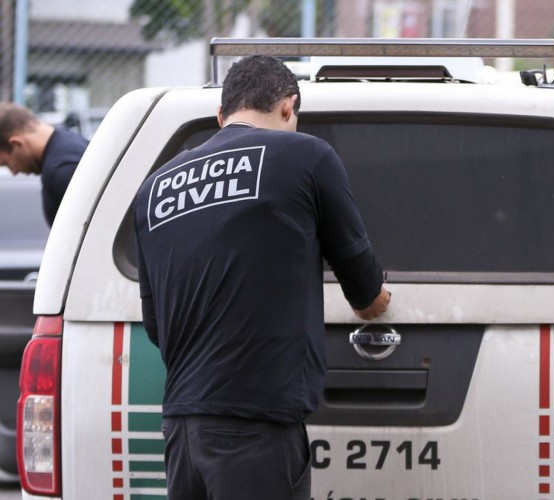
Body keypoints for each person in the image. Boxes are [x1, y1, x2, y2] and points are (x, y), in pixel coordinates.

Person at [134, 55, 391, 500]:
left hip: (181, 429)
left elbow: (158, 326)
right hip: (256, 423)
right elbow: (364, 289)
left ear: (221, 116)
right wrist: (379, 298)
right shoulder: (306, 156)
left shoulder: (154, 187)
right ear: (289, 106)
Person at [0, 103, 88, 225]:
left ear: (17, 143)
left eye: (6, 163)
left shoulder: (61, 170)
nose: (13, 172)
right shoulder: (71, 142)